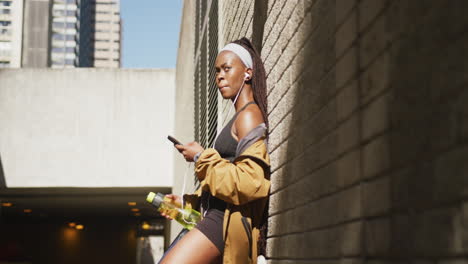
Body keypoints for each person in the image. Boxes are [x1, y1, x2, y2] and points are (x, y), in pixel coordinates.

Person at [160, 37, 270, 264]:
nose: (219, 76)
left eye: (227, 68)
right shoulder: (237, 118)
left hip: (224, 222)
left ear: (247, 73)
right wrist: (184, 203)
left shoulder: (249, 116)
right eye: (217, 70)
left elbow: (252, 182)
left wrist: (200, 156)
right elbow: (223, 181)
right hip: (214, 217)